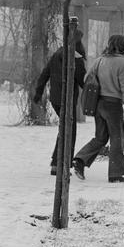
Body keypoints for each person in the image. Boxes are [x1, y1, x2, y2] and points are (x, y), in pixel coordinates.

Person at [72, 34, 124, 183]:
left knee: (100, 137)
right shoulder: (123, 63)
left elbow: (86, 79)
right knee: (117, 138)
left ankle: (80, 160)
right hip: (113, 105)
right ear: (121, 46)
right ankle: (115, 173)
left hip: (98, 105)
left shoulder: (100, 61)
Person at [33, 30, 87, 175]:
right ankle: (60, 165)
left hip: (56, 99)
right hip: (67, 100)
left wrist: (38, 93)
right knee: (69, 131)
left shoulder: (57, 54)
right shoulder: (75, 57)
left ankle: (58, 163)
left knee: (64, 129)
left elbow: (44, 74)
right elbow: (83, 82)